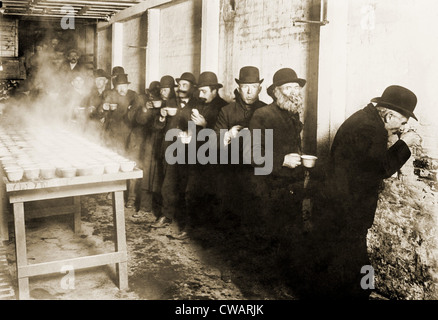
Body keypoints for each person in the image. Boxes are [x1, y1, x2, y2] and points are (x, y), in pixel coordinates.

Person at [308, 85, 422, 300]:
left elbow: (367, 164)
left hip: (339, 208)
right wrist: (405, 143)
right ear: (388, 116)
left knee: (341, 265)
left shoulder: (364, 120)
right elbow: (381, 168)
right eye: (402, 124)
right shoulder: (370, 129)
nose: (400, 129)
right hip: (346, 212)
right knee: (356, 269)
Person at [246, 67, 307, 243]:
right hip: (268, 188)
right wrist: (282, 160)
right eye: (288, 88)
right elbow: (250, 153)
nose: (293, 93)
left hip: (291, 186)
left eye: (296, 88)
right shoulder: (262, 114)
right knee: (270, 239)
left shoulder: (293, 113)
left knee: (291, 237)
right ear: (276, 92)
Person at [214, 66, 267, 228]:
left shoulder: (267, 110)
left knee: (256, 213)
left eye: (254, 87)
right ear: (239, 89)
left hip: (258, 171)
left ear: (260, 89)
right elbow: (215, 141)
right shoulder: (226, 111)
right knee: (231, 213)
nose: (250, 92)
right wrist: (228, 135)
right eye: (245, 87)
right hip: (232, 171)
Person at [150, 72, 198, 241]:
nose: (181, 88)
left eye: (186, 85)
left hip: (188, 150)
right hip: (170, 148)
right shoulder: (170, 102)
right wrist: (162, 116)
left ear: (193, 88)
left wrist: (189, 133)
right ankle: (166, 215)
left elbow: (202, 127)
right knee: (167, 184)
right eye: (180, 85)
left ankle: (185, 223)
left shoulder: (197, 104)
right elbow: (157, 127)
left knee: (185, 187)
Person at [102, 73, 142, 208]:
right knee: (115, 163)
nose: (121, 90)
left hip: (131, 136)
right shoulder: (110, 95)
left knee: (131, 164)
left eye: (124, 86)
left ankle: (131, 197)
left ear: (127, 86)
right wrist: (103, 108)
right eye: (119, 87)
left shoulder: (134, 96)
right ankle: (113, 190)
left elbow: (138, 114)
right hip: (115, 135)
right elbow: (101, 113)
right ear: (115, 87)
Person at [132, 80, 166, 220]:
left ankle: (160, 210)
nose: (154, 97)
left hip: (164, 143)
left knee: (161, 177)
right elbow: (140, 121)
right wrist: (146, 109)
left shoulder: (172, 104)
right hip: (150, 142)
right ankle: (145, 207)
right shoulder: (147, 104)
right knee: (146, 175)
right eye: (152, 95)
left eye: (162, 91)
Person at [84, 69, 111, 139]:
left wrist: (106, 116)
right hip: (93, 128)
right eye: (96, 80)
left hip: (107, 129)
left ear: (106, 81)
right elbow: (87, 112)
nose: (98, 82)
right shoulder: (91, 95)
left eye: (100, 80)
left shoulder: (111, 94)